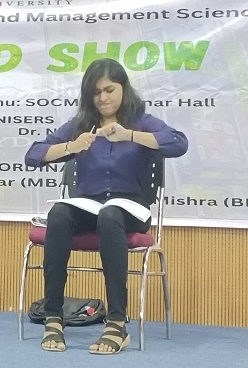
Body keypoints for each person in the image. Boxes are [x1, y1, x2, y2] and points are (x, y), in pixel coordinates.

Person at [25, 58, 188, 355]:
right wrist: (71, 147)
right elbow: (33, 155)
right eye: (96, 92)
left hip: (131, 210)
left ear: (124, 88)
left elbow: (179, 143)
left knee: (110, 215)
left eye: (109, 90)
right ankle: (53, 316)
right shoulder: (81, 125)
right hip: (90, 207)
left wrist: (129, 135)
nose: (103, 98)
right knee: (59, 213)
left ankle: (116, 323)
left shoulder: (141, 121)